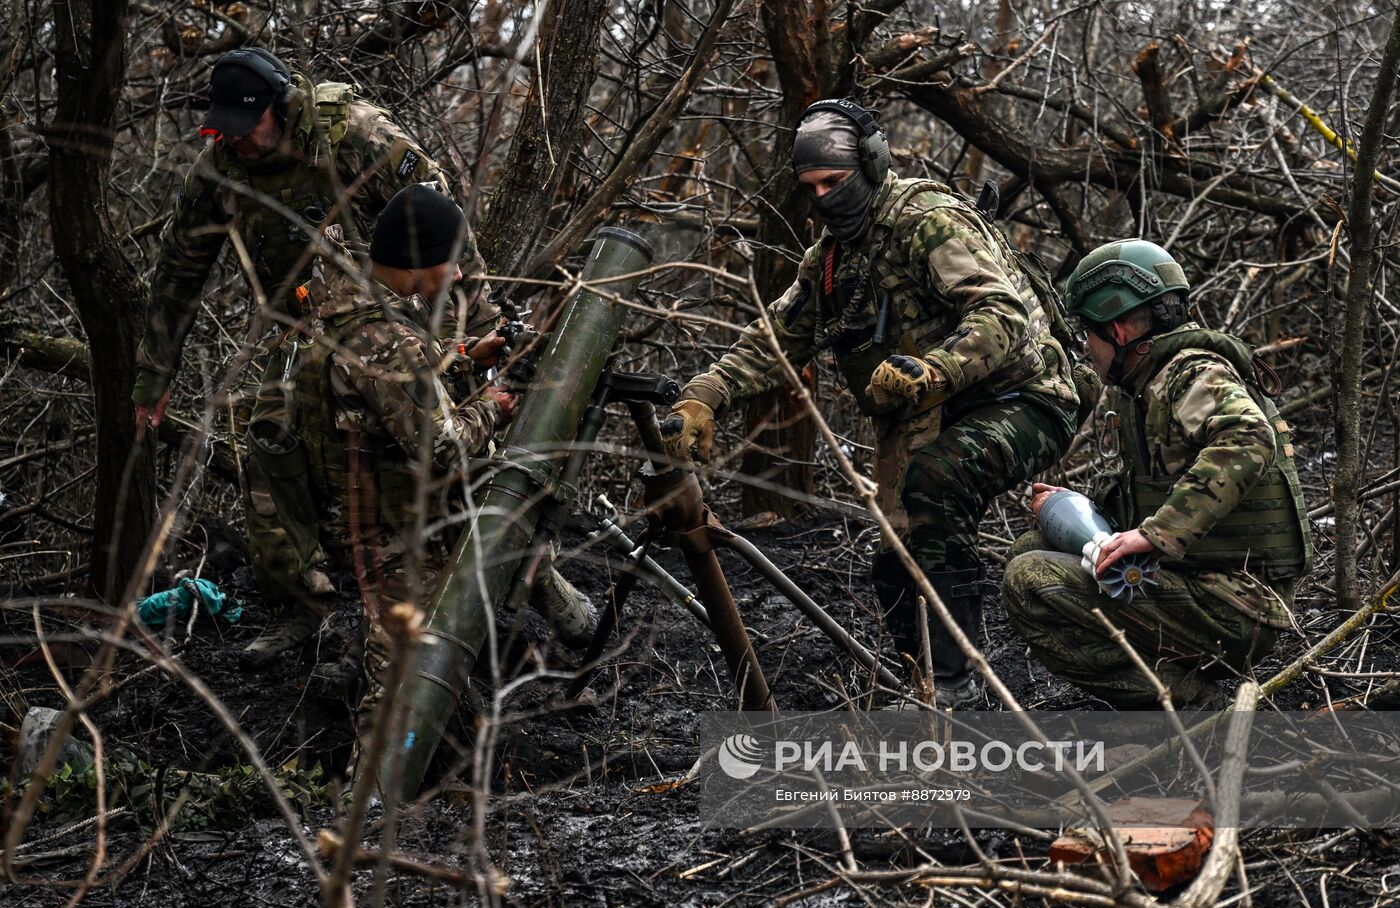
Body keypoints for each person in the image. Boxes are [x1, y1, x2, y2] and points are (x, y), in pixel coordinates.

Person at [660, 99, 1082, 707]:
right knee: (895, 559)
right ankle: (925, 685)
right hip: (926, 415)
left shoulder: (927, 222)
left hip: (1024, 396)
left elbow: (1004, 314)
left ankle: (959, 687)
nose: (826, 198)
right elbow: (777, 338)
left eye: (836, 181)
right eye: (813, 187)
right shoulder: (830, 262)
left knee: (935, 485)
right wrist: (707, 394)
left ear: (873, 164)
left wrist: (936, 370)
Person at [131, 47, 486, 662]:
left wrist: (472, 329)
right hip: (302, 330)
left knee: (430, 439)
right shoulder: (222, 172)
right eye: (225, 133)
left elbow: (443, 227)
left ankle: (463, 576)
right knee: (268, 445)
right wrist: (153, 376)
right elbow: (178, 274)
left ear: (279, 107)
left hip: (393, 321)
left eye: (247, 129)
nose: (236, 143)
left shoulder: (353, 133)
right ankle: (301, 605)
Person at [285, 185, 595, 761]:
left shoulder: (355, 297)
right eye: (449, 262)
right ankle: (374, 790)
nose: (455, 276)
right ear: (420, 260)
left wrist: (463, 354)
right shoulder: (384, 339)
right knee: (401, 664)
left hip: (397, 505)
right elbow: (442, 445)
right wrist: (491, 407)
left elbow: (397, 387)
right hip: (387, 527)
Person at [1002, 239, 1313, 709]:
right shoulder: (1152, 382)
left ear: (1120, 329)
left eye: (1089, 332)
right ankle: (1173, 687)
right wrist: (1075, 512)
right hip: (1203, 585)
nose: (1086, 348)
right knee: (1033, 548)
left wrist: (1156, 535)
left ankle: (1193, 706)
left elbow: (1247, 438)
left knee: (1032, 579)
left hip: (1237, 608)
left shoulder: (1189, 372)